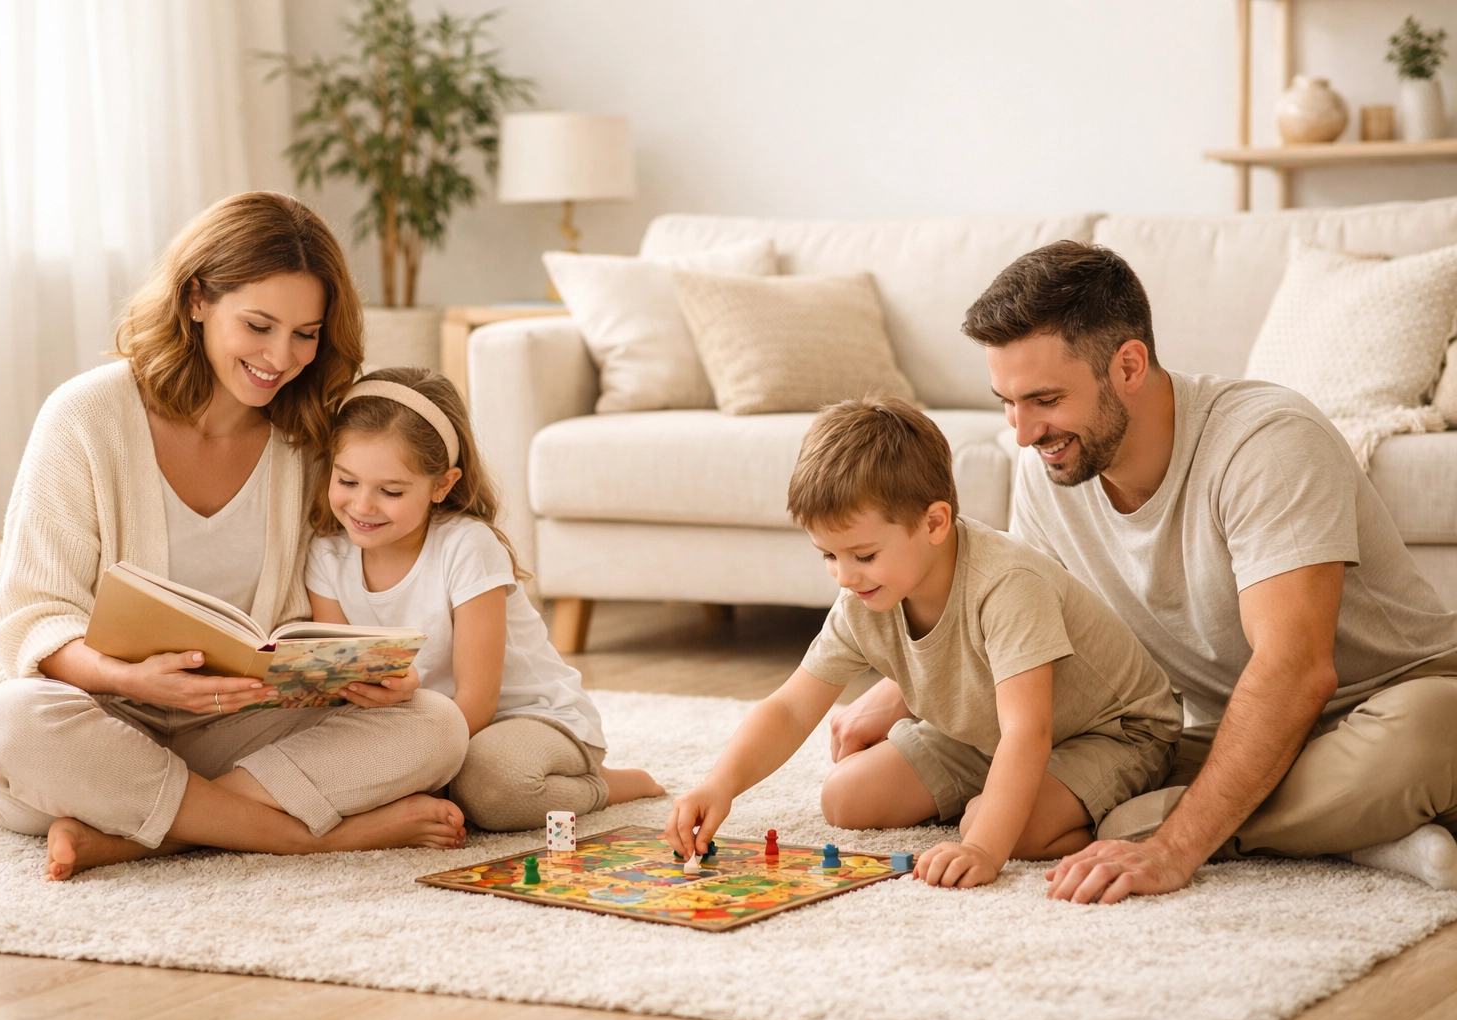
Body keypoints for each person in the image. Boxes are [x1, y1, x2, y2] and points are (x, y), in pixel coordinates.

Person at [832, 240, 1457, 902]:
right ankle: (1356, 831)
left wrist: (1172, 847)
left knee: (1431, 733)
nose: (1022, 432)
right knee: (1069, 784)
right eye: (1008, 402)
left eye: (1045, 399)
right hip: (1218, 730)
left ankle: (1235, 825)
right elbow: (1017, 624)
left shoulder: (1266, 442)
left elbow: (1296, 672)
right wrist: (901, 689)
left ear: (1129, 365)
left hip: (1384, 708)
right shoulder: (1050, 465)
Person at [0, 192, 472, 881]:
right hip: (98, 716)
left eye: (306, 334)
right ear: (196, 299)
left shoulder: (310, 437)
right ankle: (302, 839)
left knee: (435, 724)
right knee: (5, 723)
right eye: (259, 325)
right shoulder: (86, 416)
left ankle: (143, 832)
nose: (281, 357)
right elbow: (32, 616)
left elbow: (340, 589)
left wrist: (365, 672)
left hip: (236, 723)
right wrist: (128, 677)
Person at [665, 398, 1182, 887]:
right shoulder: (863, 598)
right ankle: (1005, 797)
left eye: (863, 555)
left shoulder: (1007, 585)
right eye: (829, 556)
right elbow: (791, 708)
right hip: (987, 733)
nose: (844, 576)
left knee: (999, 829)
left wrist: (982, 848)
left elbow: (1029, 731)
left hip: (1113, 733)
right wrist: (719, 784)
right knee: (845, 798)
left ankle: (1113, 816)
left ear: (934, 523)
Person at [303, 366, 663, 831]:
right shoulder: (326, 555)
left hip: (530, 719)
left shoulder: (467, 546)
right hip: (427, 731)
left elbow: (478, 699)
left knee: (493, 789)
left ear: (442, 485)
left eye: (390, 491)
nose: (362, 506)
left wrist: (408, 767)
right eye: (347, 481)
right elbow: (340, 685)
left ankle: (606, 785)